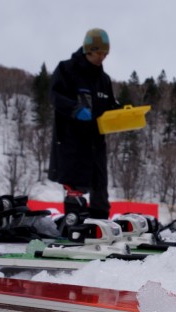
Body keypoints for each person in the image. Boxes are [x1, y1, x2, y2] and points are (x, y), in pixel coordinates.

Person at [48, 28, 118, 230]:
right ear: (89, 50)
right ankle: (74, 228)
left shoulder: (103, 79)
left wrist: (120, 114)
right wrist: (74, 109)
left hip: (96, 143)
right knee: (75, 187)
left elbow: (109, 105)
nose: (102, 57)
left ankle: (99, 228)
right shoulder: (67, 70)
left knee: (100, 189)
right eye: (99, 53)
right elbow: (55, 96)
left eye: (105, 54)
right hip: (72, 142)